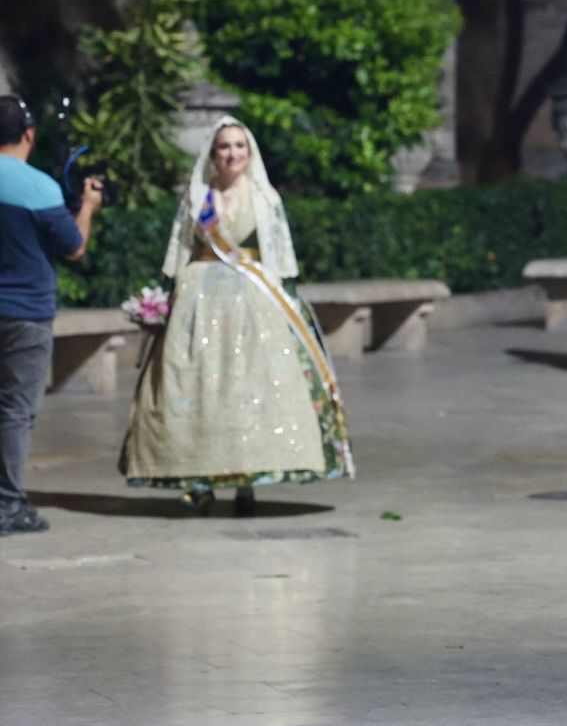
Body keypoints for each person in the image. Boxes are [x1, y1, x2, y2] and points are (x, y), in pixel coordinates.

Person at [119, 117, 353, 513]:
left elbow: (280, 255)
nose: (232, 154)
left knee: (250, 392)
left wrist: (289, 302)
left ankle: (248, 481)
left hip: (253, 302)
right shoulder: (197, 198)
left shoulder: (265, 198)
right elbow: (179, 249)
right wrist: (163, 298)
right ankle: (198, 480)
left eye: (239, 146)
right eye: (225, 147)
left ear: (250, 152)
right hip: (198, 299)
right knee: (196, 390)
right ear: (213, 153)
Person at [0, 94, 102, 535]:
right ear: (28, 135)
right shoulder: (38, 187)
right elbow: (74, 247)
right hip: (25, 314)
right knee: (15, 411)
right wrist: (88, 208)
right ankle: (6, 506)